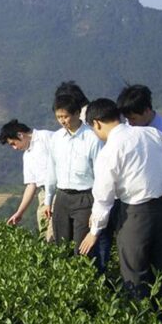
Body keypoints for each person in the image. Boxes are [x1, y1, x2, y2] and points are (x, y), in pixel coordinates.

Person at [79, 99, 162, 305]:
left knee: (135, 274)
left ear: (96, 123)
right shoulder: (150, 133)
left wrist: (94, 231)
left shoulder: (110, 150)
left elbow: (103, 197)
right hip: (161, 211)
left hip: (133, 215)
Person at [116, 84, 162, 276]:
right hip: (136, 207)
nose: (130, 123)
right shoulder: (127, 131)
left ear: (147, 110)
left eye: (133, 118)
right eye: (127, 119)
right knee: (138, 259)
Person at [43, 94, 107, 272]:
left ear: (77, 113)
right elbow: (51, 169)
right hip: (62, 196)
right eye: (59, 117)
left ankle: (85, 283)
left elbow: (100, 173)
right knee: (61, 244)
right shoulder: (55, 139)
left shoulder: (92, 138)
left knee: (82, 247)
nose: (62, 121)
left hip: (85, 197)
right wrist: (48, 199)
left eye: (65, 116)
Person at [0, 119, 55, 242]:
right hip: (43, 194)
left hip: (59, 191)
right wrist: (19, 212)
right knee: (44, 232)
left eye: (13, 143)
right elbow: (31, 185)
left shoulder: (46, 137)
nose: (14, 148)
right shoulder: (27, 155)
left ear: (20, 135)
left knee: (53, 234)